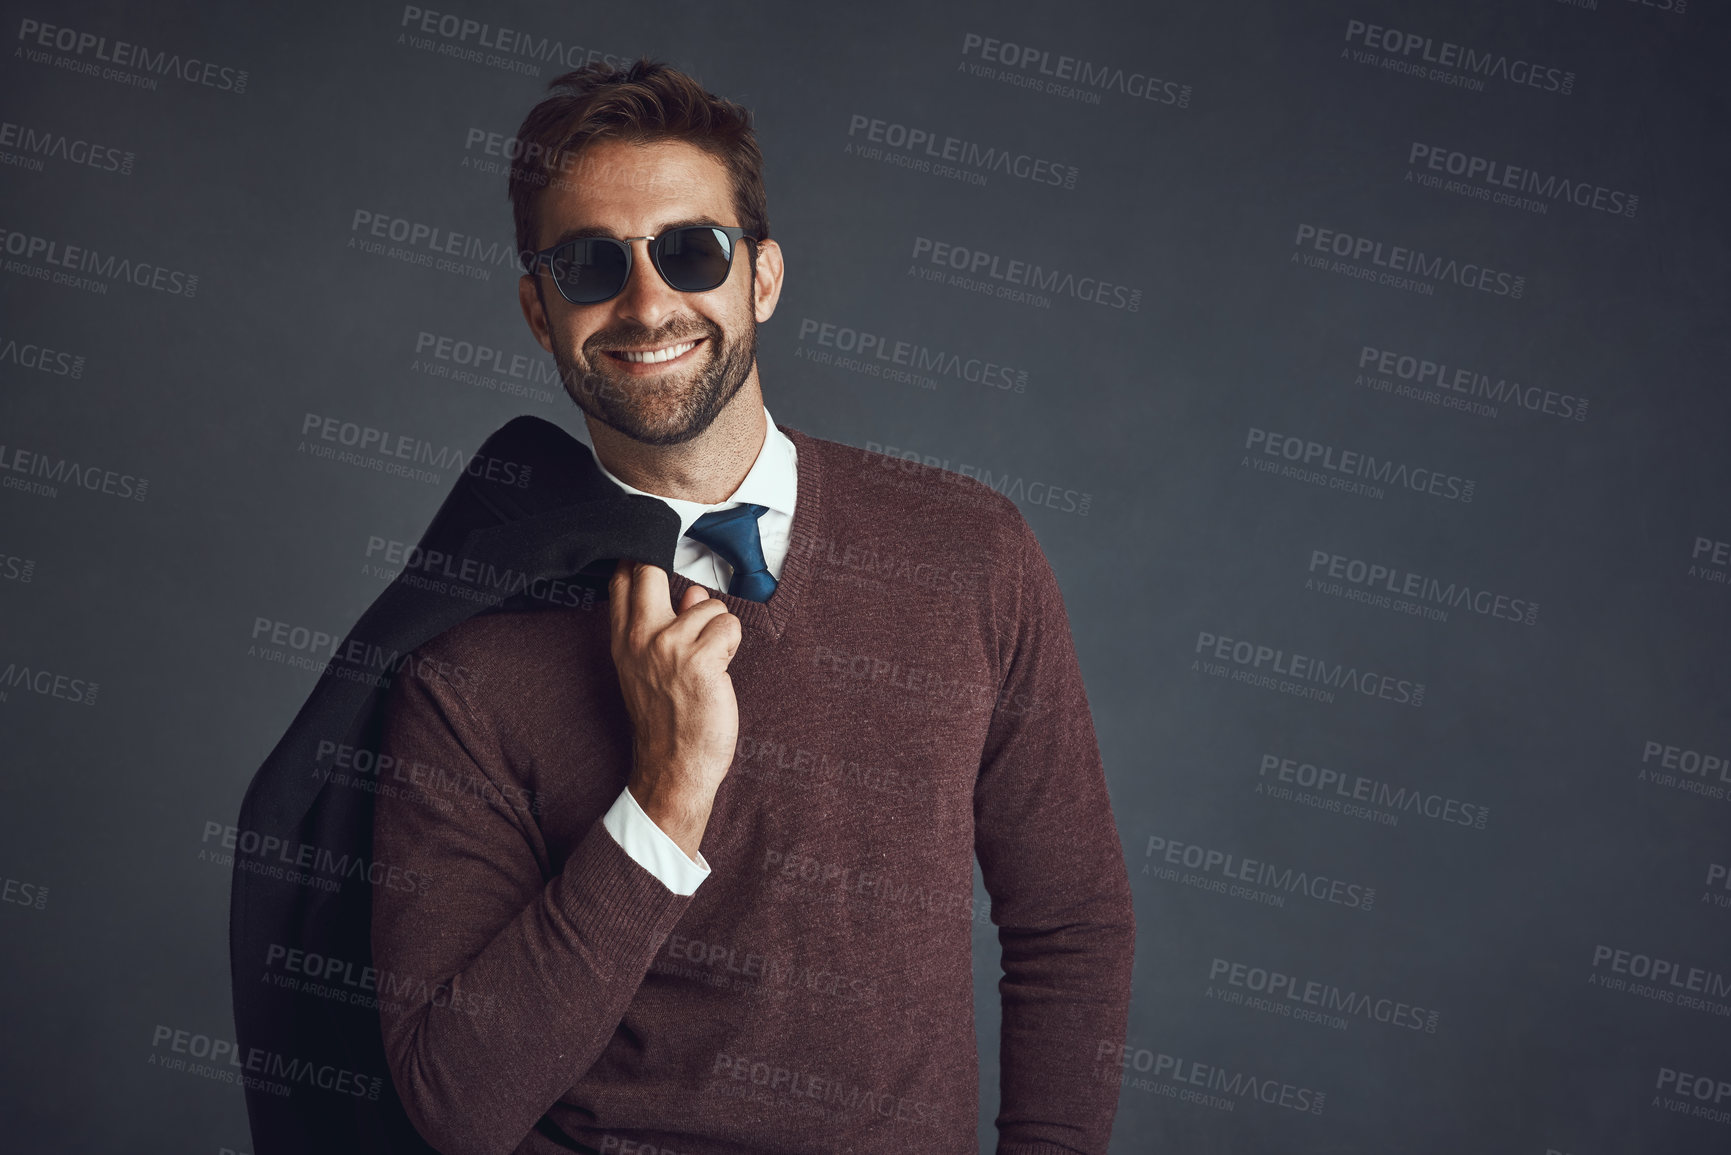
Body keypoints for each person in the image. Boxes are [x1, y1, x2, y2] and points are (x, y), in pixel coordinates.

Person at [370, 57, 1135, 1155]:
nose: (646, 303)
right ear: (540, 312)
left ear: (762, 279)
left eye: (691, 250)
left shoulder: (970, 553)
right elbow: (455, 1103)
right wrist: (666, 795)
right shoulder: (469, 662)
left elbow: (1072, 925)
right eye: (592, 265)